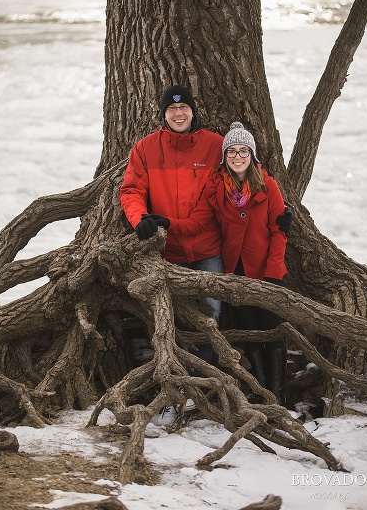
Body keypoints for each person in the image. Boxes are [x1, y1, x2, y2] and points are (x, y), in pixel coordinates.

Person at [120, 86, 292, 424]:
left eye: (184, 107)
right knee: (167, 319)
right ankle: (174, 391)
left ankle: (201, 386)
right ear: (163, 114)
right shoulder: (145, 149)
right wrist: (140, 219)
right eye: (172, 109)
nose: (178, 113)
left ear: (193, 111)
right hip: (166, 250)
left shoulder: (216, 145)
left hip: (210, 250)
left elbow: (243, 184)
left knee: (211, 314)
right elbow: (131, 189)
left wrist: (280, 216)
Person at [167, 122, 288, 405]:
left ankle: (279, 397)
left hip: (267, 272)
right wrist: (165, 223)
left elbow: (279, 231)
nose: (237, 156)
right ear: (224, 157)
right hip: (235, 274)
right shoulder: (216, 187)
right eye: (231, 151)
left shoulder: (268, 185)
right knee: (251, 333)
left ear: (252, 155)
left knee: (272, 332)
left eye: (243, 150)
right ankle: (261, 394)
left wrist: (272, 273)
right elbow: (198, 222)